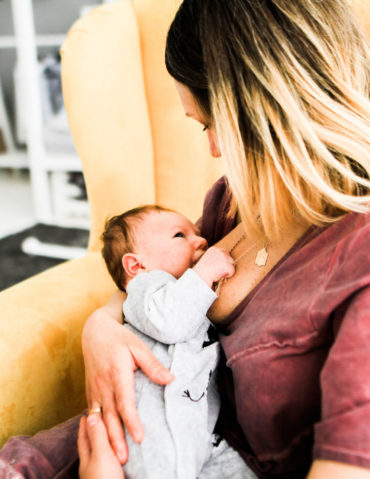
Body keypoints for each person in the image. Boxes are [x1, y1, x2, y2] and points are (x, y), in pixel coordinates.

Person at [0, 0, 369, 478]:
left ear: (266, 107)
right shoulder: (235, 202)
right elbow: (159, 280)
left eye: (211, 124)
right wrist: (101, 328)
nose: (213, 149)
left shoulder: (355, 257)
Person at [96, 204, 253, 478]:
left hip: (199, 433)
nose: (201, 239)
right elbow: (172, 321)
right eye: (180, 235)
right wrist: (205, 272)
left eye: (196, 233)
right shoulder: (145, 288)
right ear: (136, 265)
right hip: (150, 427)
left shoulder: (184, 292)